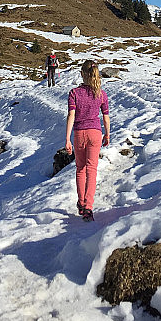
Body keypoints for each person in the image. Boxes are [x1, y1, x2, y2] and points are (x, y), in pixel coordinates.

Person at [65, 60, 110, 221]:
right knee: (92, 169)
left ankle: (81, 202)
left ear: (82, 74)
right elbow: (105, 117)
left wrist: (67, 138)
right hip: (95, 133)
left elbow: (71, 116)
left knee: (80, 169)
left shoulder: (74, 93)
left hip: (79, 134)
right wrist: (107, 134)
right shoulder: (101, 94)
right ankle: (88, 207)